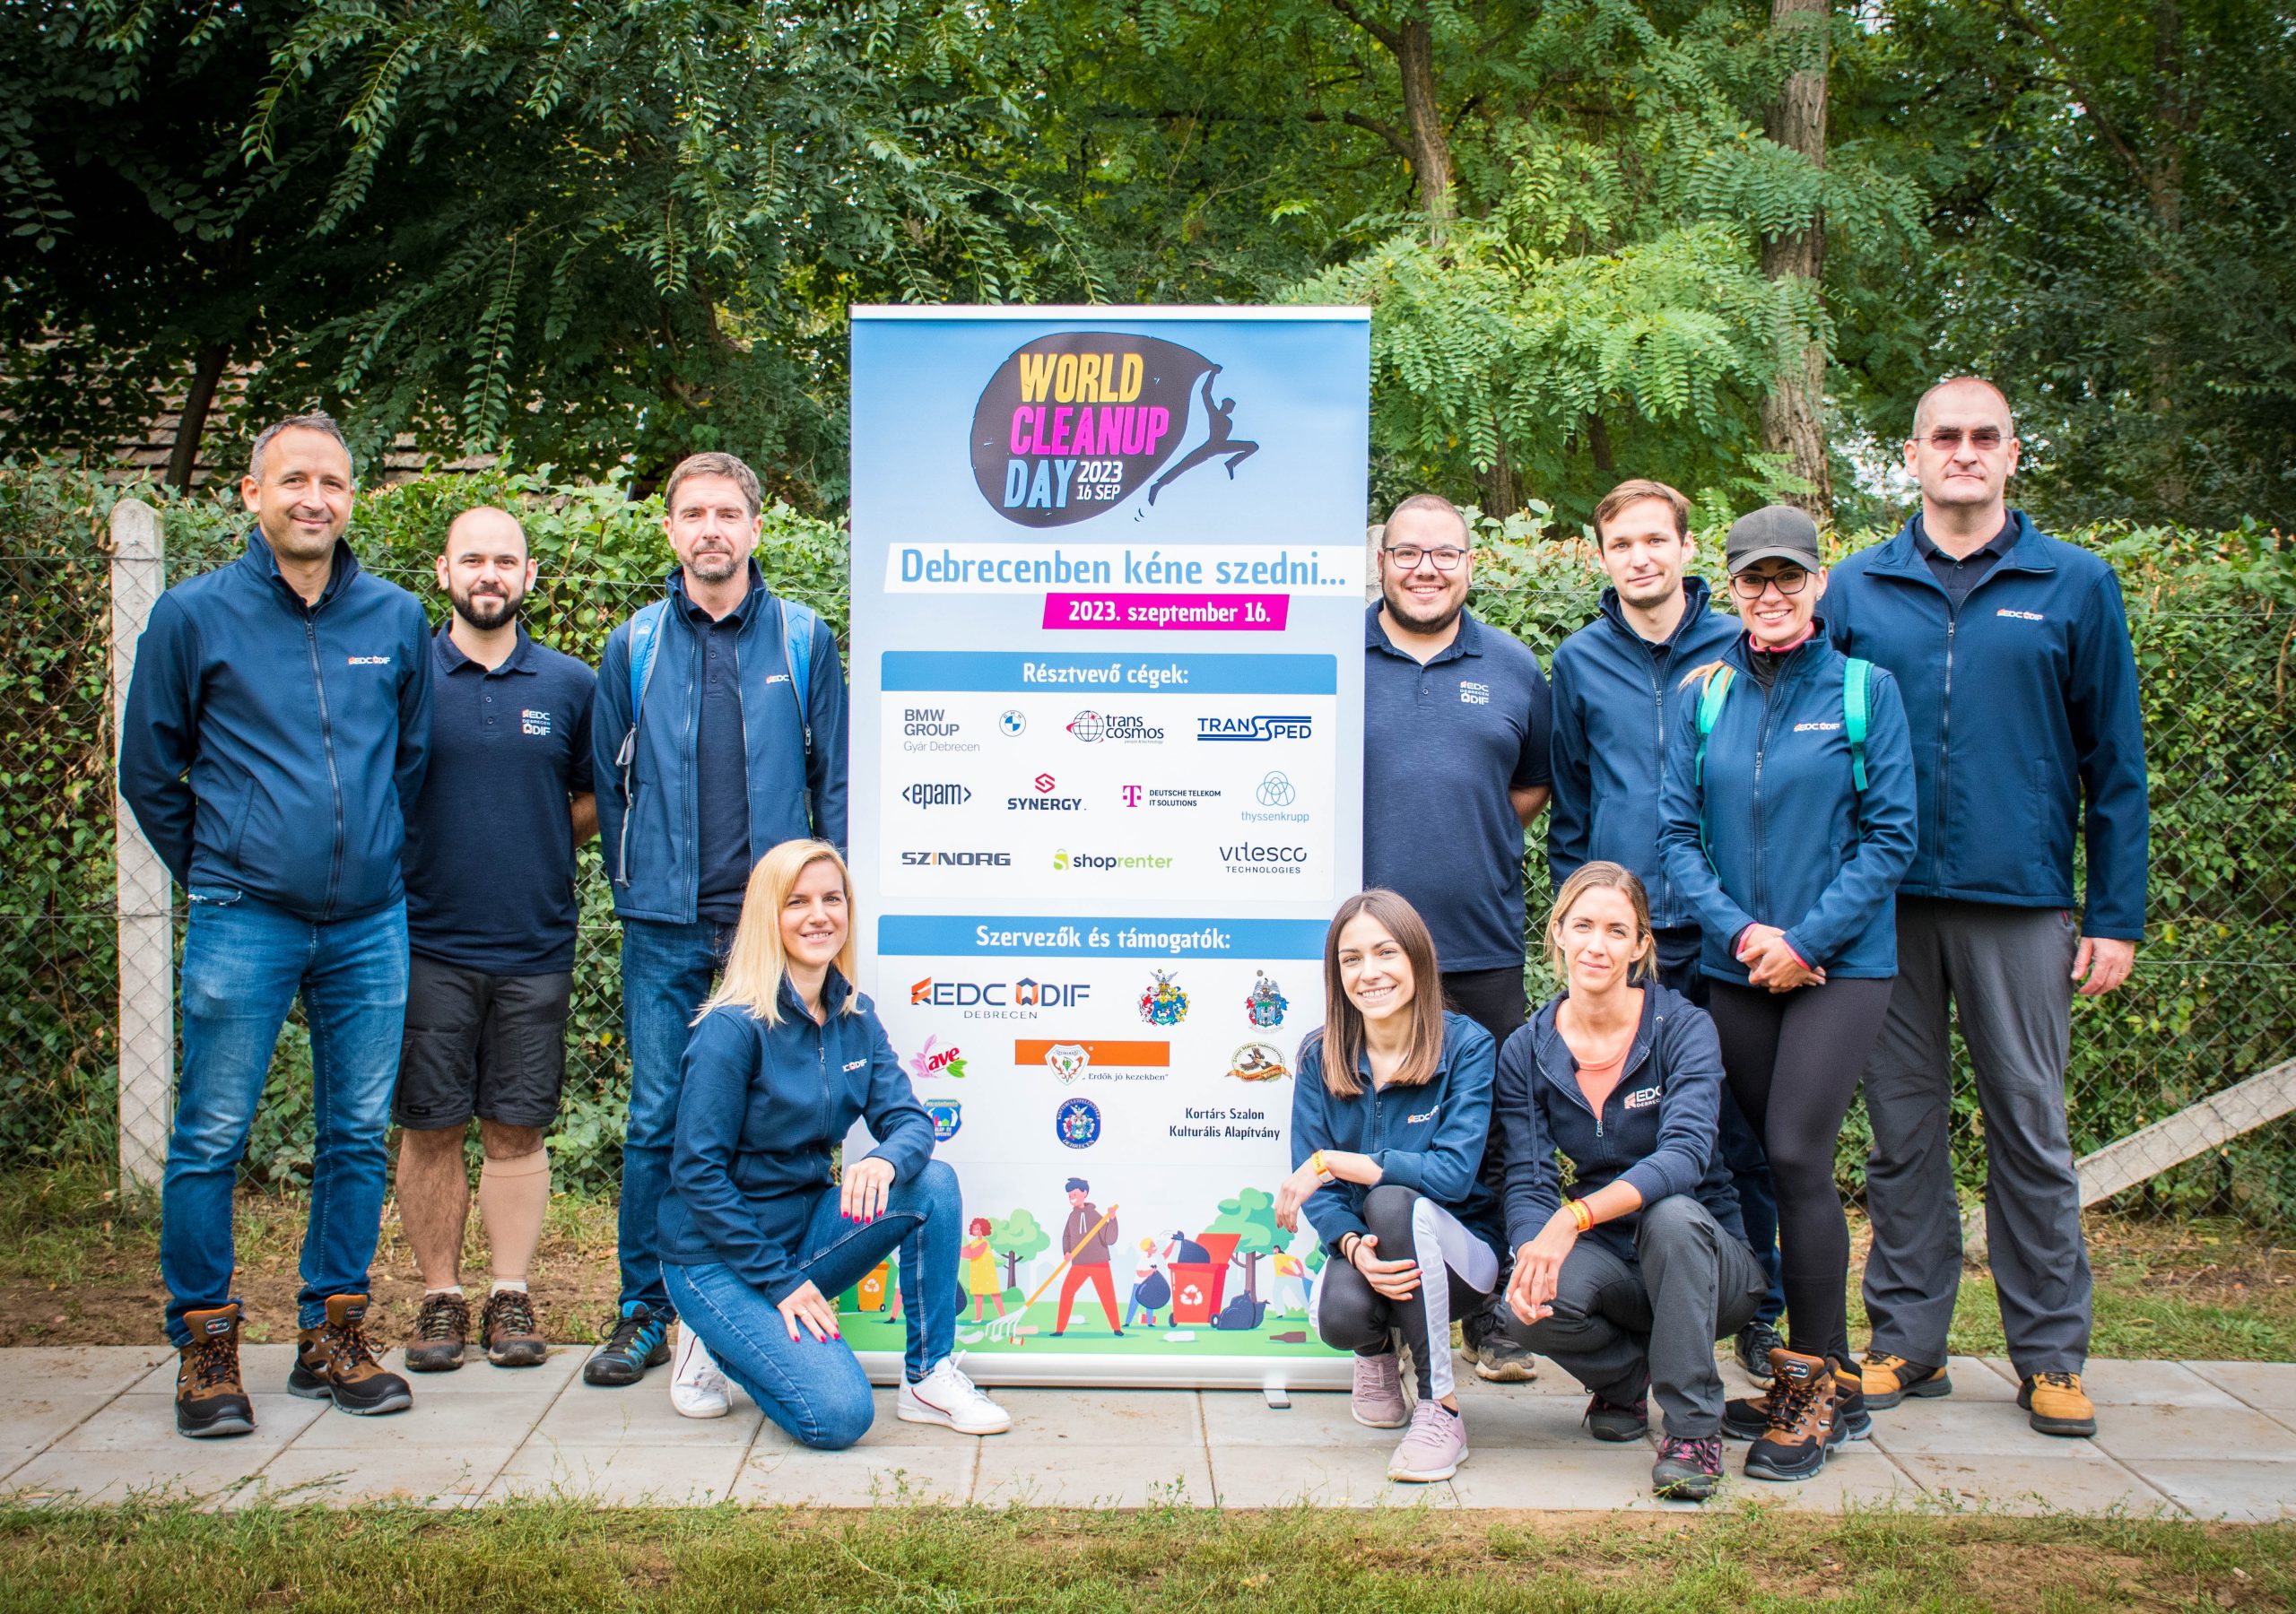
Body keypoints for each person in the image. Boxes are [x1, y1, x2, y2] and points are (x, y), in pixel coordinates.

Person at [1828, 377, 2148, 1438]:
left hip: (2019, 906)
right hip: (1884, 910)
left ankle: (2049, 1355)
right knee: (1900, 1136)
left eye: (1983, 437)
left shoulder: (2074, 583)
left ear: (2012, 455)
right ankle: (1906, 1342)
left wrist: (2114, 914)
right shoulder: (1857, 588)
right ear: (1912, 455)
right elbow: (1818, 750)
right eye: (1944, 436)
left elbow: (2115, 765)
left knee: (2029, 1129)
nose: (1963, 451)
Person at [119, 412, 432, 1437]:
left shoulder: (395, 617)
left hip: (369, 924)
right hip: (243, 917)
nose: (314, 498)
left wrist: (375, 857)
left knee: (355, 1136)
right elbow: (148, 769)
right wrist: (224, 868)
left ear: (352, 499)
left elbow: (410, 765)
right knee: (211, 1136)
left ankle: (331, 1335)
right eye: (294, 480)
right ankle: (206, 1348)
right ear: (252, 494)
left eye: (332, 483)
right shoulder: (193, 615)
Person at [1657, 504, 1918, 1482]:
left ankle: (1811, 1386)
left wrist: (1804, 941)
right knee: (1759, 1156)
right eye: (1752, 579)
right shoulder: (1706, 692)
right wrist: (1743, 935)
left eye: (1788, 577)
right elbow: (1676, 836)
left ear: (1818, 583)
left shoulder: (1863, 690)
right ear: (1729, 588)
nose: (1770, 594)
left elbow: (1891, 836)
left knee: (1801, 1155)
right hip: (1739, 966)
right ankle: (1825, 1378)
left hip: (1839, 968)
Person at [588, 451, 849, 1388]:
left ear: (755, 529)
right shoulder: (634, 646)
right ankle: (645, 1313)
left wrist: (824, 909)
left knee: (777, 1120)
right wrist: (636, 882)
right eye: (694, 513)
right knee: (659, 1120)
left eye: (727, 513)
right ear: (670, 530)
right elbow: (611, 788)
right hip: (663, 926)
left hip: (770, 931)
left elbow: (833, 783)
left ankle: (758, 1300)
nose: (711, 529)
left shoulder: (804, 639)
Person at [1546, 478, 1787, 1385]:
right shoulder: (1578, 662)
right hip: (1626, 948)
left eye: (1656, 540)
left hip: (1726, 935)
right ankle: (1636, 1309)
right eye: (1622, 544)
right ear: (1601, 557)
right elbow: (1572, 809)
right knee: (1624, 1134)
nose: (1640, 557)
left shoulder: (1740, 643)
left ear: (1688, 549)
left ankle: (1759, 1313)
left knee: (1744, 1136)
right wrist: (1583, 928)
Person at [657, 839, 1011, 1446]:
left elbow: (913, 1123)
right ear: (768, 916)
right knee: (838, 1416)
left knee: (930, 1182)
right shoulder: (731, 1028)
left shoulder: (855, 1016)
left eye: (832, 899)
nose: (819, 916)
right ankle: (712, 1333)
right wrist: (779, 1283)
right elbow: (697, 1174)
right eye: (797, 902)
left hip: (804, 1236)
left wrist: (885, 1159)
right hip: (715, 1254)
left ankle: (927, 1379)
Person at [393, 507, 596, 1375]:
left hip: (534, 945)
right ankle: (441, 1298)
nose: (489, 574)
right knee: (431, 1127)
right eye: (472, 559)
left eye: (505, 561)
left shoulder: (571, 685)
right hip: (424, 942)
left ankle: (509, 1294)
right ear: (444, 571)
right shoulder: (405, 676)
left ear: (528, 576)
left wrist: (535, 840)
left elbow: (591, 797)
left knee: (517, 1126)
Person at [1492, 863, 1767, 1502]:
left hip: (1707, 1260)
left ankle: (1693, 1431)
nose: (1598, 945)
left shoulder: (1683, 1027)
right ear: (1557, 932)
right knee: (1521, 1306)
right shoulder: (1527, 1049)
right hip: (1614, 1264)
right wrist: (1533, 1249)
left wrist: (1574, 1216)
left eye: (1617, 931)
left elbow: (1686, 1156)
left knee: (1670, 1214)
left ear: (1641, 945)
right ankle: (1625, 1380)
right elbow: (1528, 1180)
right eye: (1583, 926)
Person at [1361, 492, 1552, 1384]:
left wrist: (1462, 834)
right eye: (1408, 552)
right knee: (1370, 1122)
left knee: (1496, 1135)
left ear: (1471, 564)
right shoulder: (1336, 656)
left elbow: (1528, 785)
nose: (1426, 569)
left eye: (1444, 554)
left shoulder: (1513, 666)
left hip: (1480, 943)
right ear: (1382, 562)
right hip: (1365, 956)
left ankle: (1489, 1316)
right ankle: (1377, 1317)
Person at [1276, 889, 1504, 1484]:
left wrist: (1341, 1162)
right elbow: (1323, 1193)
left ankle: (1440, 1407)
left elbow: (1452, 1175)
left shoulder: (1467, 1046)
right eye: (1351, 959)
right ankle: (1376, 1354)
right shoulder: (1320, 1055)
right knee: (1342, 1314)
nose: (1369, 972)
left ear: (1417, 958)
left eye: (1385, 952)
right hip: (1374, 1251)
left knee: (1393, 1201)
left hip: (1461, 1261)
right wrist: (1355, 1249)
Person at [1051, 1178, 1123, 1337]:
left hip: (1099, 1263)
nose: (1072, 1198)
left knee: (1107, 1296)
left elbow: (1109, 1239)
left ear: (1084, 1193)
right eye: (1070, 1196)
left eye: (1074, 1194)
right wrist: (1067, 1252)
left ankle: (1116, 1328)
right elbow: (1067, 1236)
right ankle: (1059, 1329)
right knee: (1066, 1292)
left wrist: (1112, 1219)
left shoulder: (1095, 1216)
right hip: (1079, 1264)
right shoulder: (1072, 1217)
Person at [967, 1219, 1007, 1323]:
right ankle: (978, 1317)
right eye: (974, 1229)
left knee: (995, 1294)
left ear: (983, 1230)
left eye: (978, 1229)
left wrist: (958, 1251)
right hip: (977, 1273)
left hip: (987, 1273)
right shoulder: (974, 1242)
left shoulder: (984, 1243)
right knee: (977, 1295)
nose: (976, 1231)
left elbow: (973, 1253)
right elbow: (967, 1249)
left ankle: (1003, 1316)